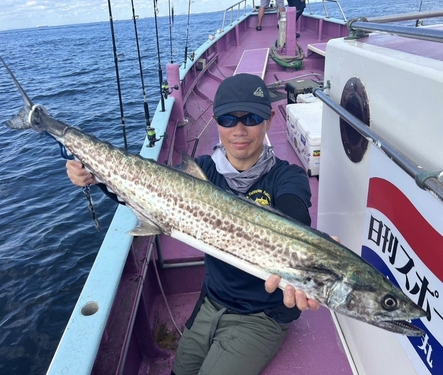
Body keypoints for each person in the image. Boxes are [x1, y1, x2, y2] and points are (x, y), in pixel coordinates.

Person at [66, 73, 320, 375]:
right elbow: (148, 194)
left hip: (262, 313)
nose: (239, 130)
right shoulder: (202, 171)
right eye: (228, 119)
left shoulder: (287, 176)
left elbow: (295, 218)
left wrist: (312, 249)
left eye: (251, 117)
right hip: (212, 299)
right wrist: (96, 178)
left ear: (270, 119)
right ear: (215, 121)